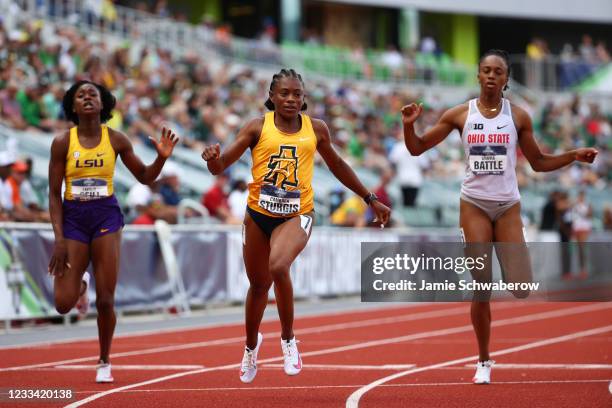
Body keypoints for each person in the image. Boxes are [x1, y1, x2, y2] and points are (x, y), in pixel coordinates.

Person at [401, 49, 598, 385]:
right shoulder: (459, 115)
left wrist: (573, 156)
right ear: (478, 75)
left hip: (508, 205)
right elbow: (417, 148)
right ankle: (483, 359)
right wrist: (408, 126)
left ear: (506, 80)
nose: (491, 76)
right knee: (482, 284)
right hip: (473, 204)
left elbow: (538, 162)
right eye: (486, 70)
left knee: (520, 287)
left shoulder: (518, 116)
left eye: (498, 72)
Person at [201, 68, 390, 383]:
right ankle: (251, 347)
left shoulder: (315, 129)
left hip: (296, 213)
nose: (290, 99)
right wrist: (211, 159)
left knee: (279, 266)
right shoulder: (256, 128)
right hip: (258, 214)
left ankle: (288, 340)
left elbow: (338, 165)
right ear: (272, 96)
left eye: (296, 94)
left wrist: (370, 198)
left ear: (304, 99)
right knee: (259, 287)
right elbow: (220, 166)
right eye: (284, 93)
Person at [48, 80, 178, 383]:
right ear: (73, 107)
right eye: (80, 96)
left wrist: (161, 158)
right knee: (62, 303)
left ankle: (104, 359)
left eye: (92, 94)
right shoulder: (62, 143)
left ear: (103, 103)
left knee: (106, 300)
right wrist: (58, 239)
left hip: (106, 215)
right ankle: (80, 287)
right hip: (74, 218)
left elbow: (145, 177)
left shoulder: (116, 140)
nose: (87, 98)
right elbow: (54, 194)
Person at [572, 190, 592, 278]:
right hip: (577, 228)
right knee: (579, 249)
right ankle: (582, 269)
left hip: (584, 229)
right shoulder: (574, 205)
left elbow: (589, 215)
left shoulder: (587, 205)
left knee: (583, 248)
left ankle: (585, 269)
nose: (581, 198)